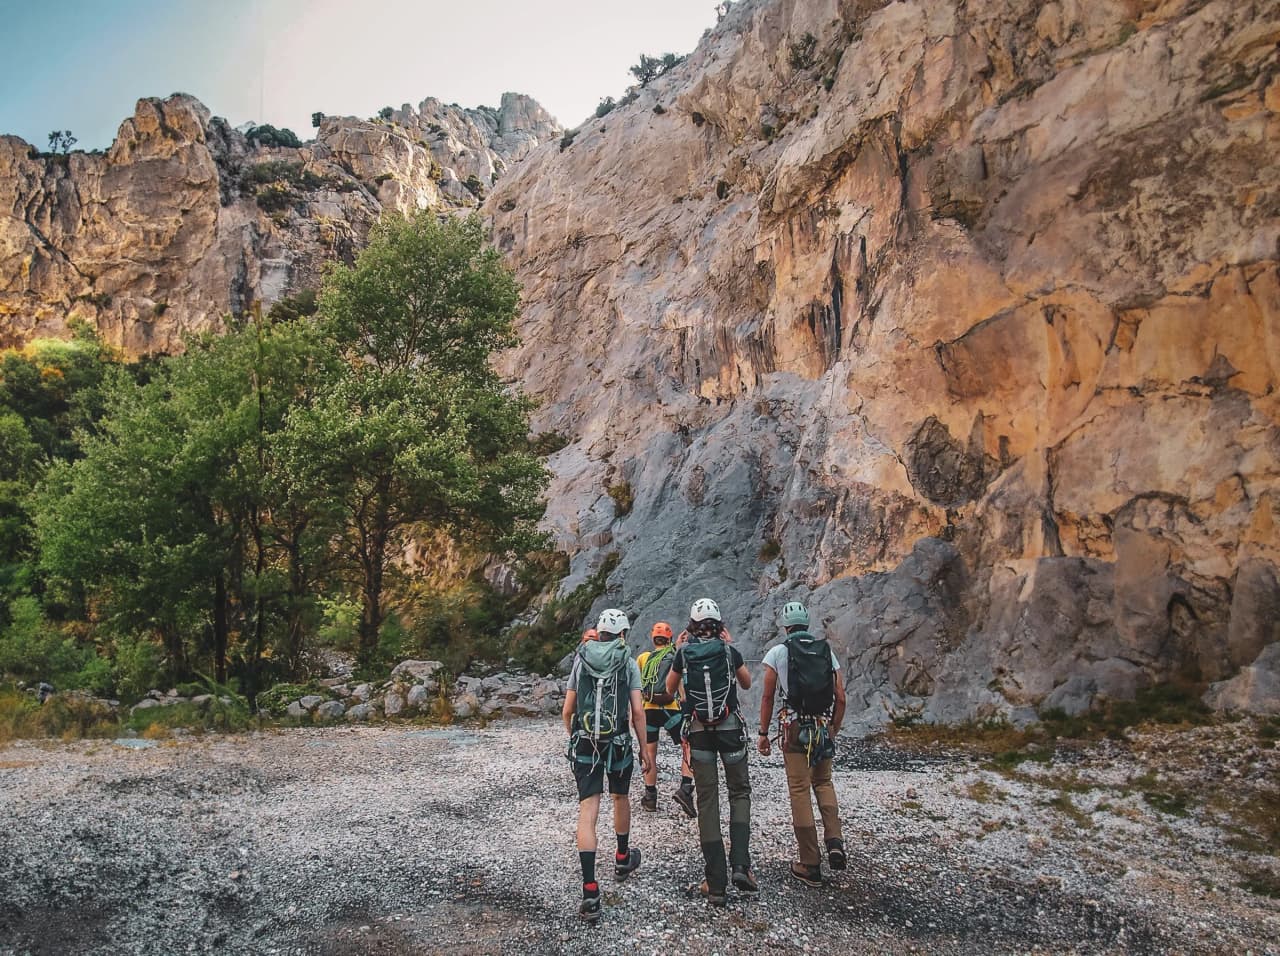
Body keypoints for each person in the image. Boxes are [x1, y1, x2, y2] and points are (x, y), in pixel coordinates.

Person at [666, 598, 757, 905]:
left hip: (699, 732)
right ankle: (742, 865)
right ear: (720, 626)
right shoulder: (729, 651)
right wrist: (730, 648)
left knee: (707, 801)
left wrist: (680, 652)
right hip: (731, 729)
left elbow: (668, 689)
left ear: (691, 626)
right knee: (739, 792)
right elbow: (746, 683)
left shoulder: (684, 653)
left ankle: (716, 882)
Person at [563, 610, 651, 922]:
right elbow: (638, 711)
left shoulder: (581, 657)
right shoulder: (627, 660)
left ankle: (589, 891)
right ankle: (622, 857)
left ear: (598, 632)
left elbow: (568, 709)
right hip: (618, 743)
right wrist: (644, 750)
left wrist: (574, 737)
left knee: (588, 811)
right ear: (623, 633)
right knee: (620, 797)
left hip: (585, 740)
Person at [757, 601, 847, 887]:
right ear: (807, 623)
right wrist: (833, 728)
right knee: (824, 783)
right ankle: (835, 841)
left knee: (800, 790)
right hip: (822, 726)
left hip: (794, 727)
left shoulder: (777, 653)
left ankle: (810, 863)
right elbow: (841, 696)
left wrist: (762, 732)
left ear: (785, 625)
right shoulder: (826, 652)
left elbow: (768, 697)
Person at [636, 622, 696, 816]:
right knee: (687, 746)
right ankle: (686, 788)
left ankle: (650, 796)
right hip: (670, 709)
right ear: (669, 639)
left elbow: (637, 689)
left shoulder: (643, 658)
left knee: (649, 752)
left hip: (648, 710)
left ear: (653, 638)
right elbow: (681, 690)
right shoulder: (674, 656)